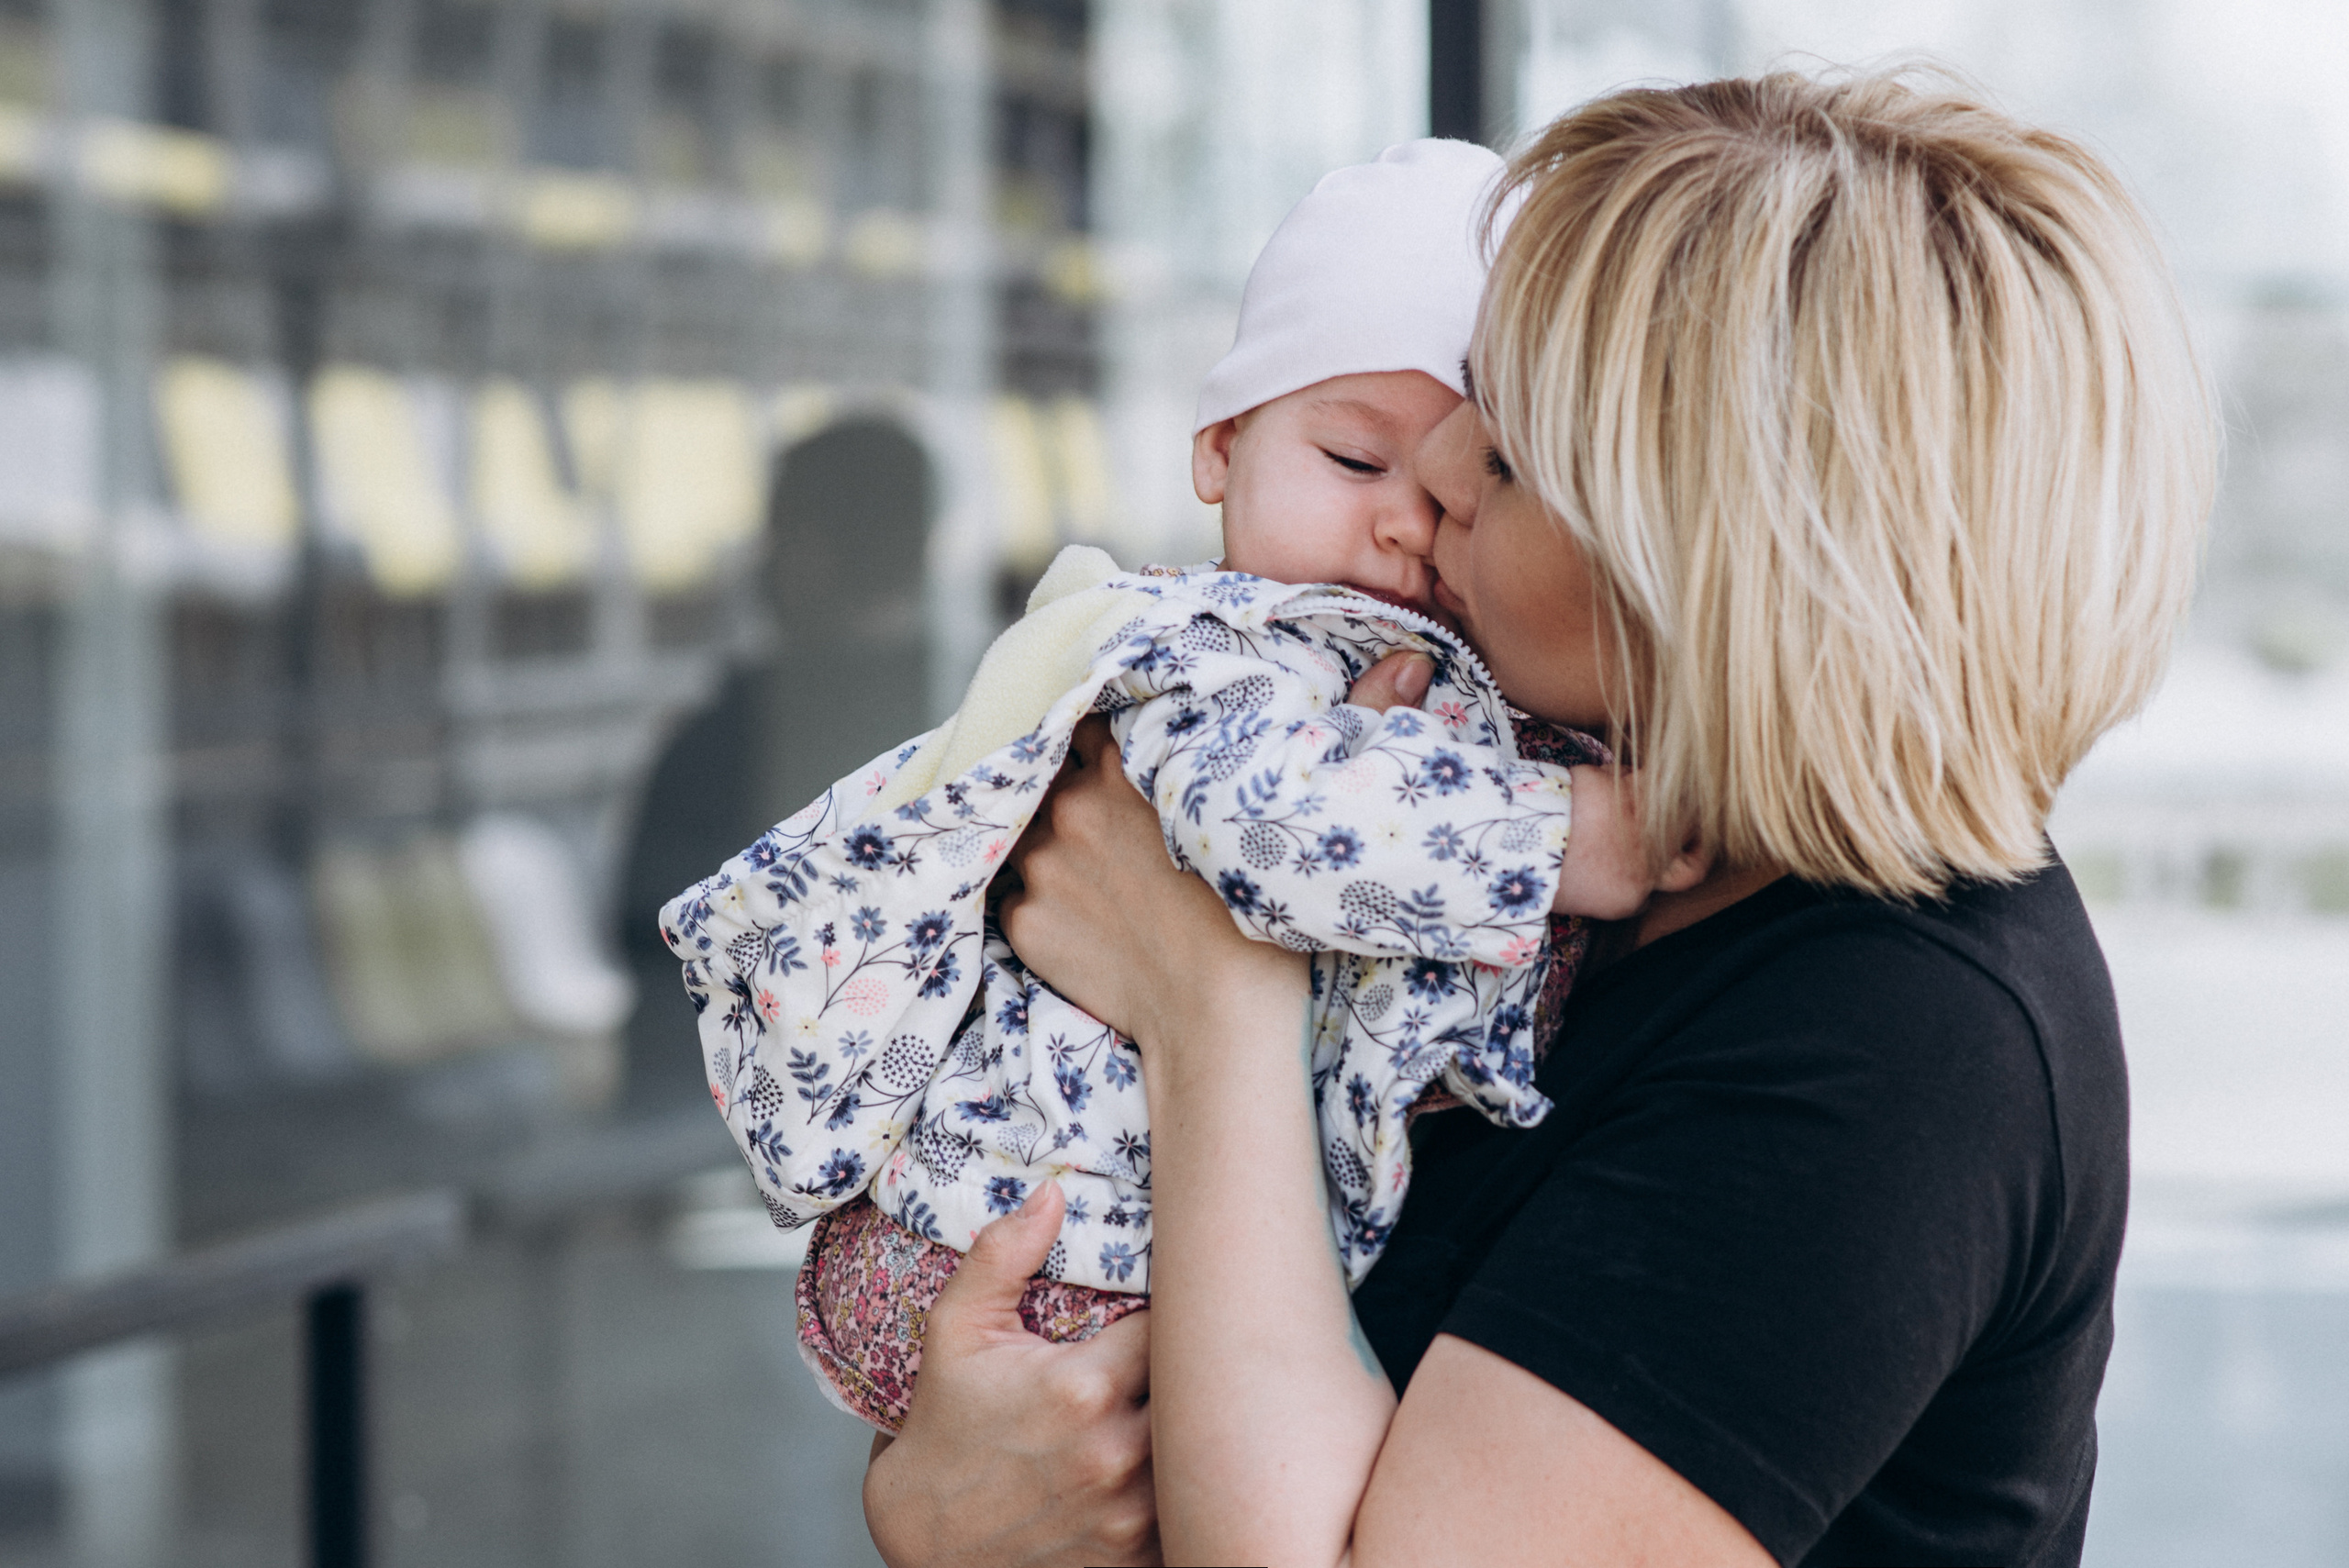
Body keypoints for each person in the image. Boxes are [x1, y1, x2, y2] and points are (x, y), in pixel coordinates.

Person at [861, 68, 2216, 1567]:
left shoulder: (1898, 1042)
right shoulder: (1507, 835)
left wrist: (1217, 994)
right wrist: (939, 1505)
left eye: (1505, 447)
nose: (1433, 471)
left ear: (1709, 556)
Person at [661, 139, 1659, 1434]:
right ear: (1220, 449)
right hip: (1036, 1247)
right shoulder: (1215, 653)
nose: (1409, 524)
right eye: (1356, 464)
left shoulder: (1452, 674)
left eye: (1473, 482)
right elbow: (1279, 825)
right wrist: (1576, 831)